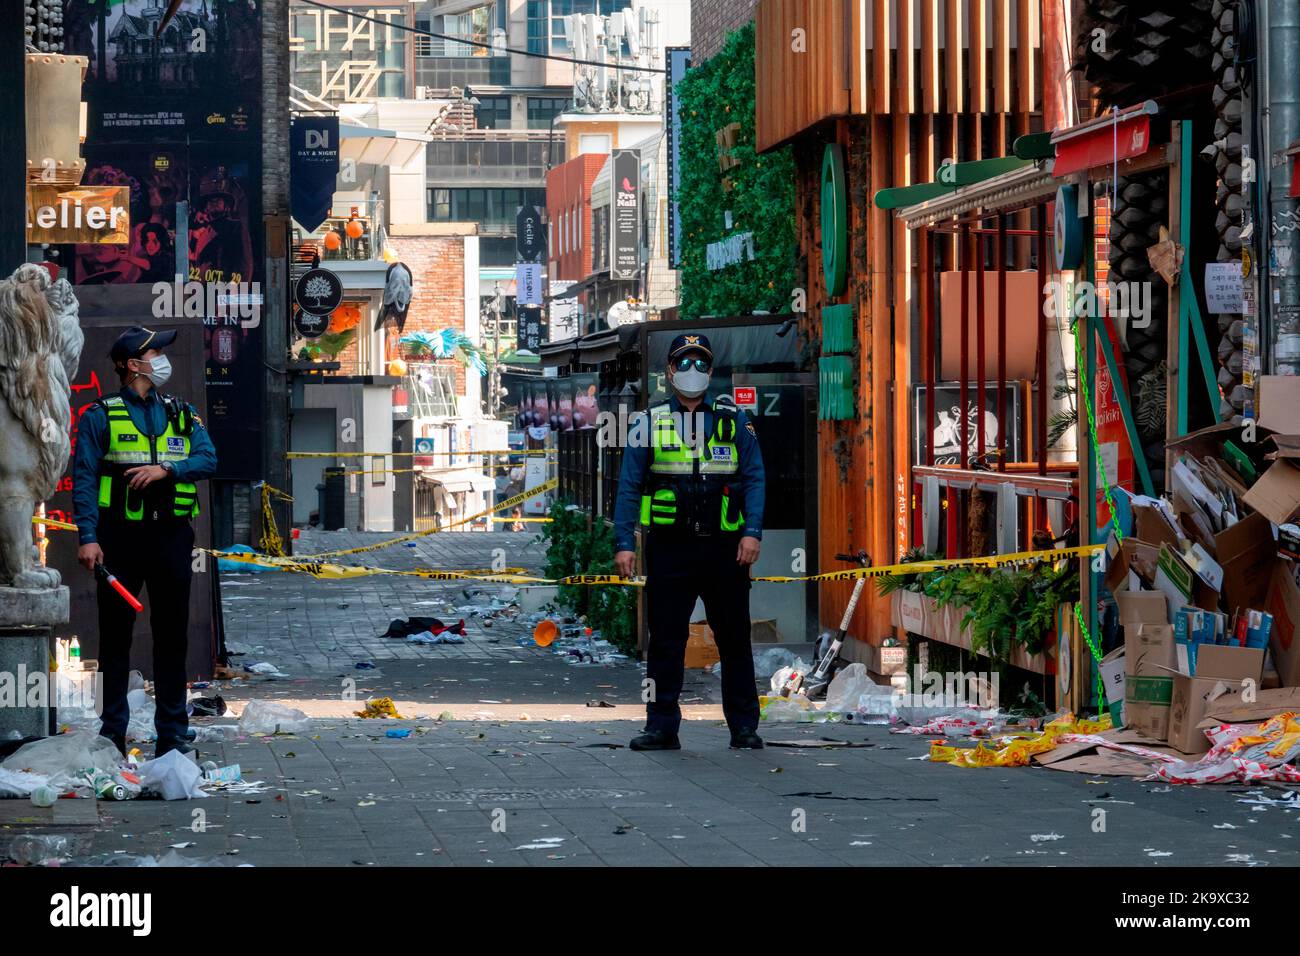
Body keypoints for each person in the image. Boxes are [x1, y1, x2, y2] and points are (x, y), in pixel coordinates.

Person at [613, 333, 766, 751]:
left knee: (734, 639)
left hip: (725, 550)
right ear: (669, 372)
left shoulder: (734, 419)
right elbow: (628, 487)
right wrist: (624, 542)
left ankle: (744, 727)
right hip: (669, 548)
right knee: (664, 641)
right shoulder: (650, 421)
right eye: (684, 363)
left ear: (711, 372)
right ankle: (661, 726)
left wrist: (752, 531)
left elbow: (754, 478)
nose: (692, 372)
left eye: (700, 364)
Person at [73, 327, 218, 758]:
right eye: (154, 353)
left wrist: (167, 469)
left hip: (171, 539)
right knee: (115, 641)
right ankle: (111, 735)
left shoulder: (180, 412)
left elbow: (208, 458)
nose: (161, 361)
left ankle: (172, 735)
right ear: (133, 364)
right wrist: (88, 538)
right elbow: (83, 478)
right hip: (119, 541)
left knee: (172, 639)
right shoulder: (100, 415)